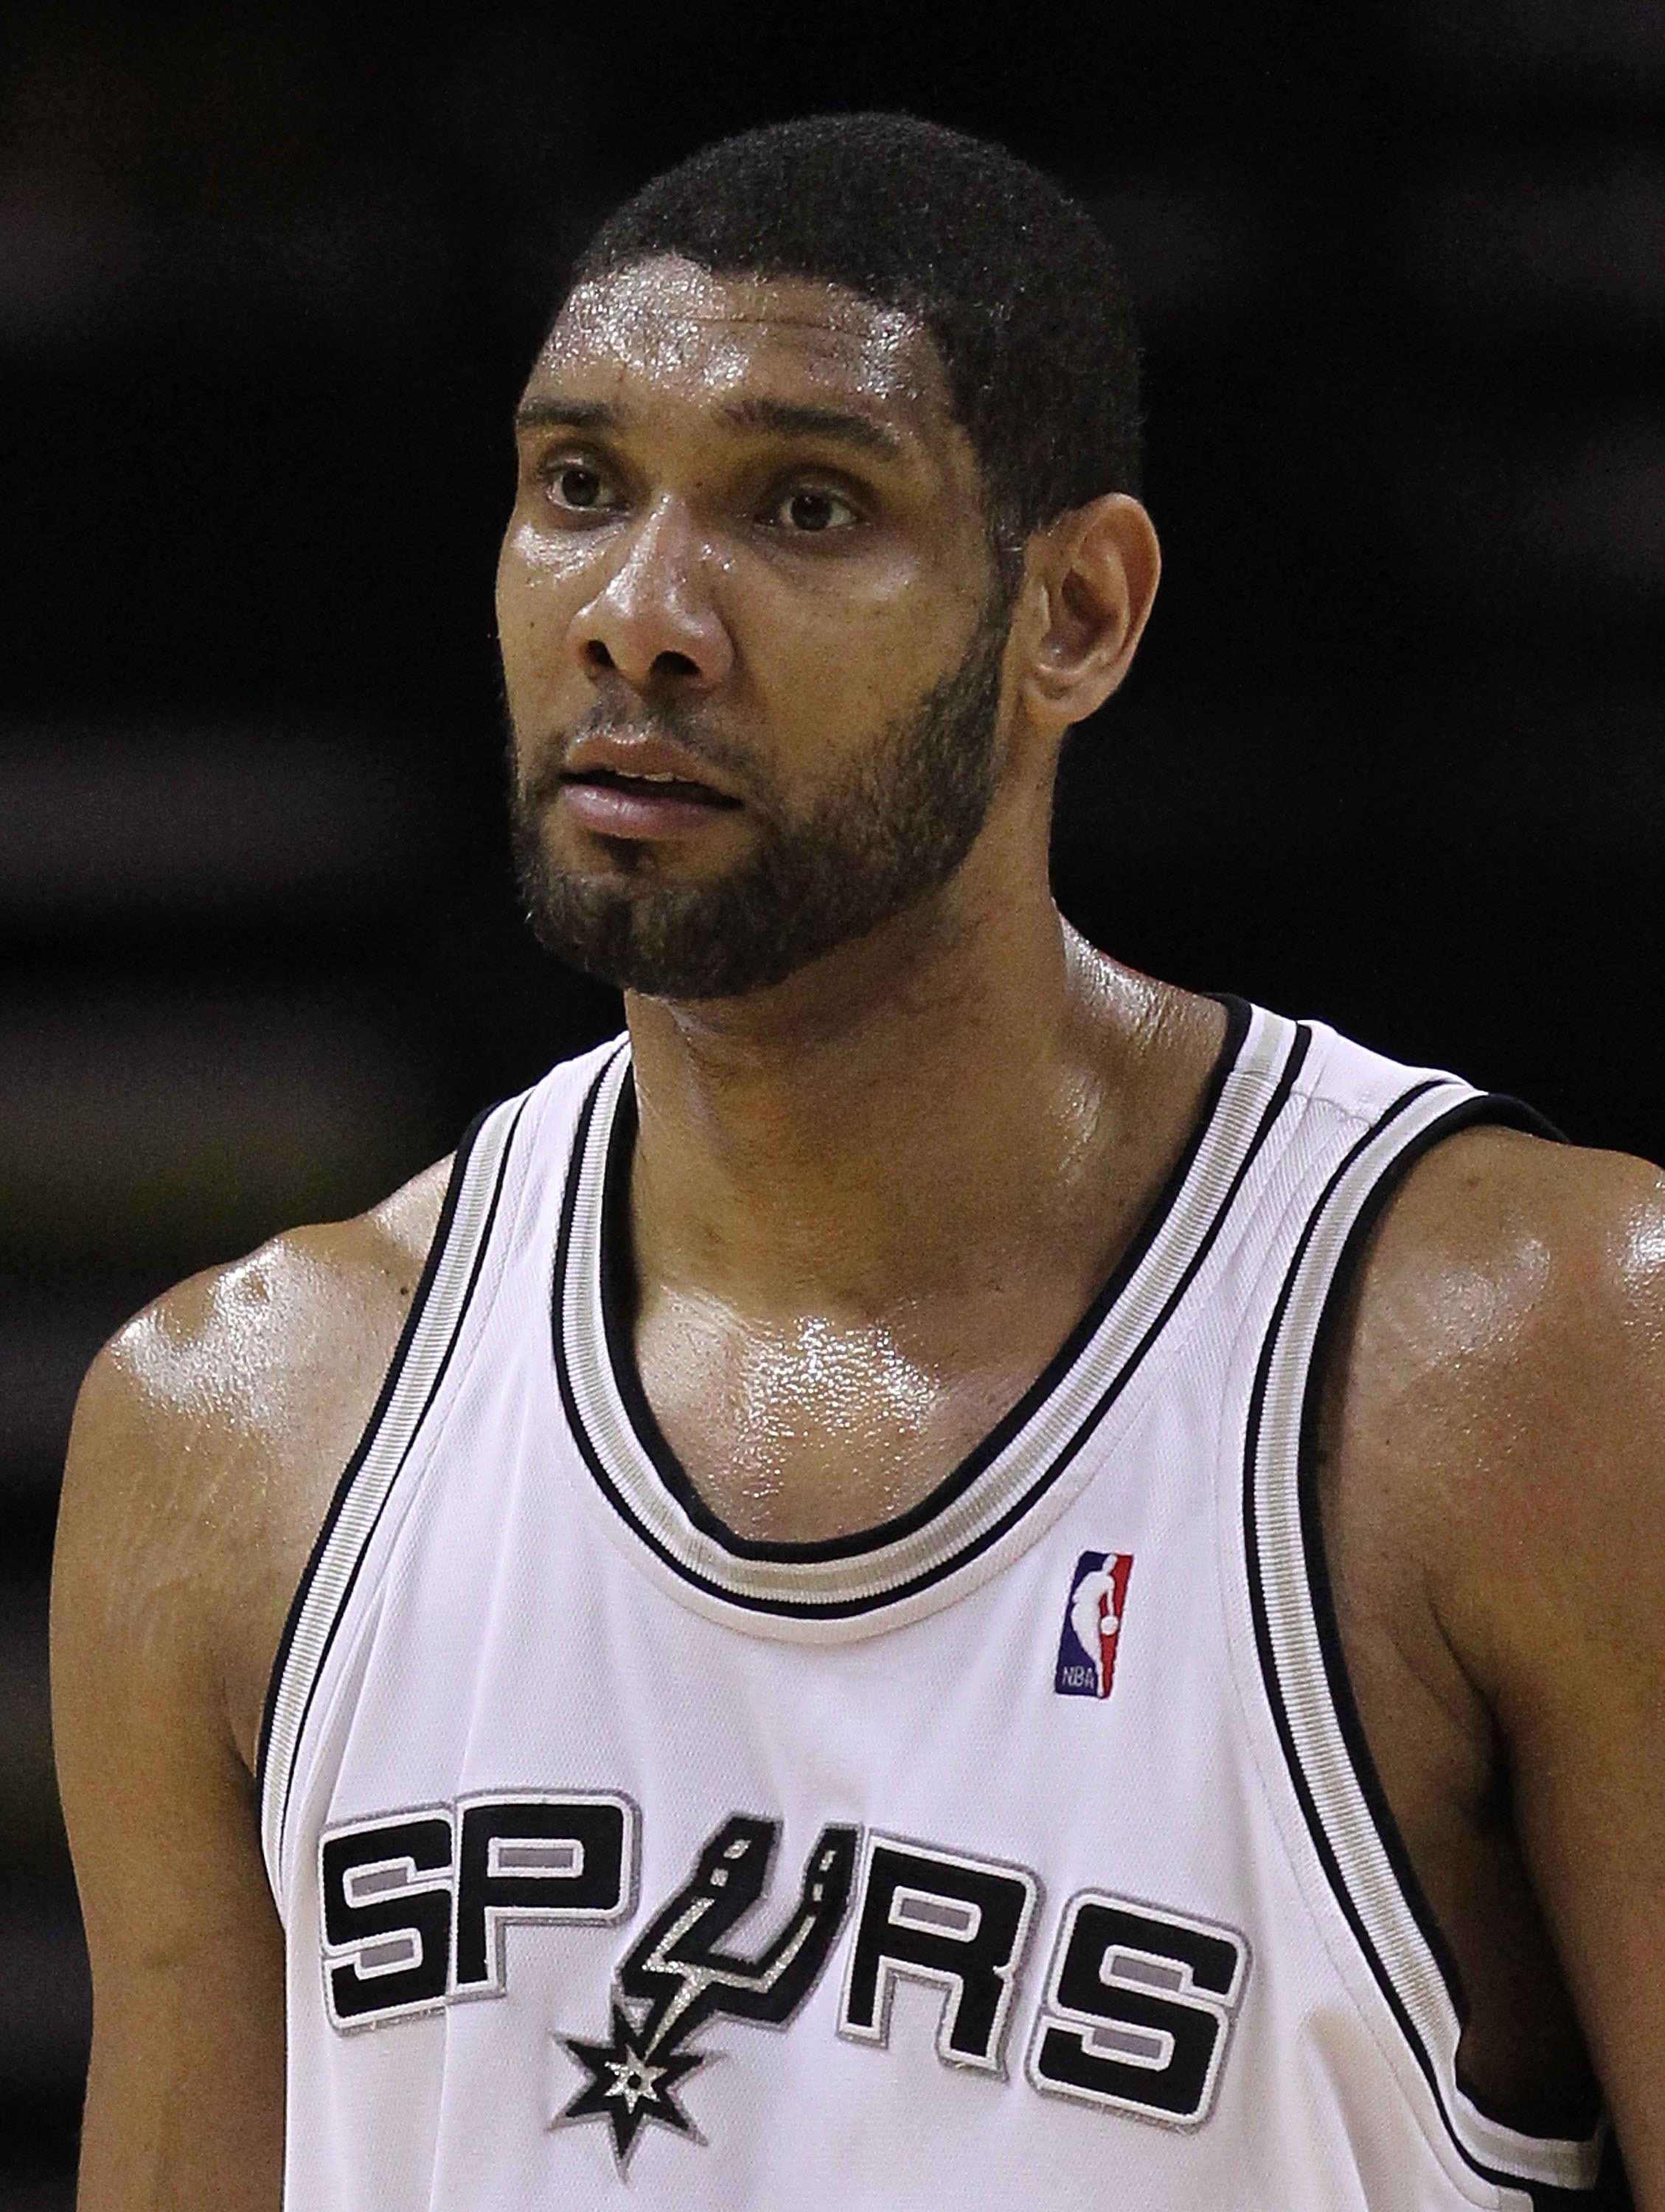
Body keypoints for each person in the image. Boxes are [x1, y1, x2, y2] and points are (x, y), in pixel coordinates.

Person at [51, 114, 1662, 2211]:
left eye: (804, 505)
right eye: (575, 489)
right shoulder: (236, 1429)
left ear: (1072, 613)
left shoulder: (1534, 1363)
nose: (640, 617)